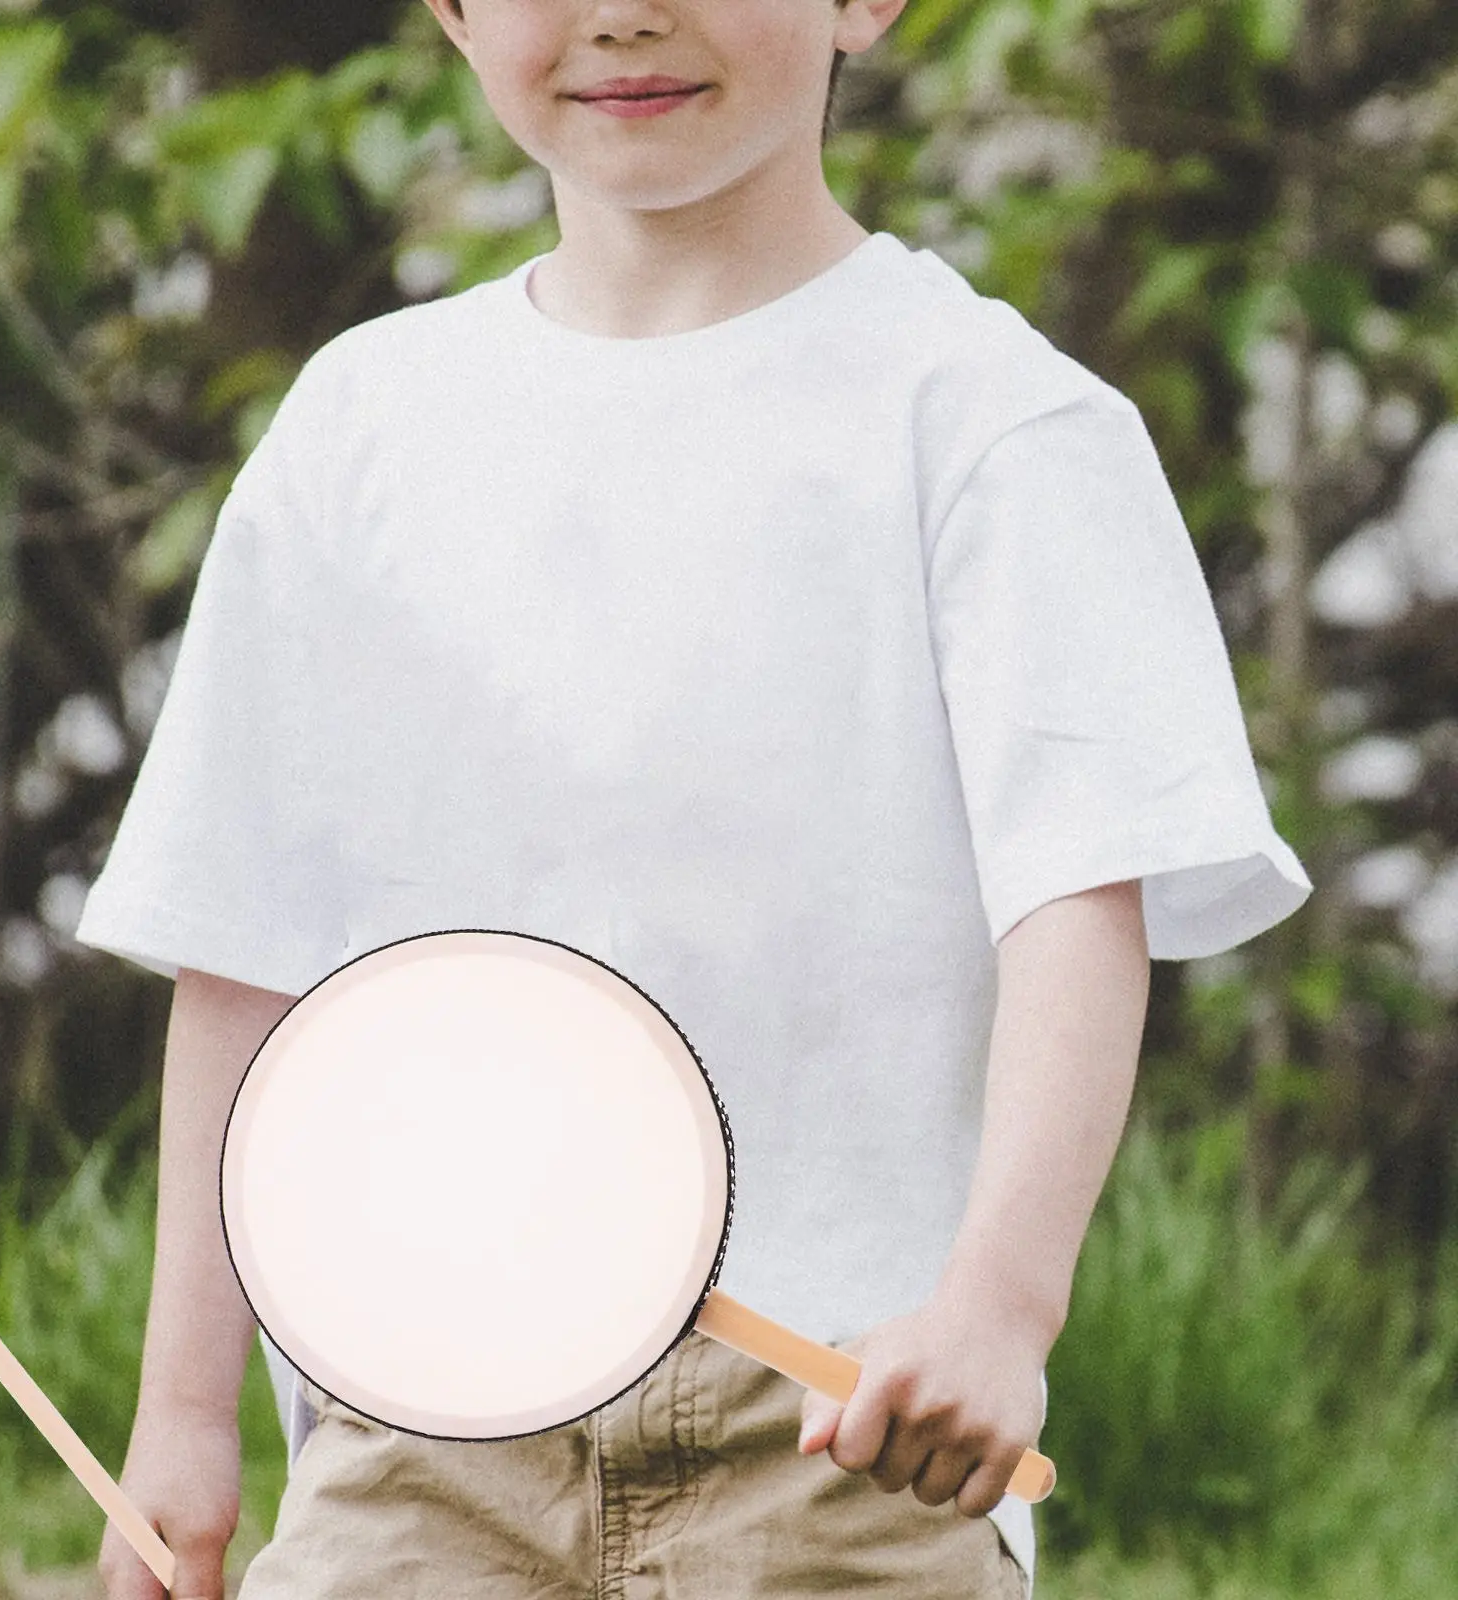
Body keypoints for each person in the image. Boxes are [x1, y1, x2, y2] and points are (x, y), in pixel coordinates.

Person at [81, 0, 1313, 1595]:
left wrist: (999, 1312)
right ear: (451, 14)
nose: (622, 16)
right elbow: (240, 941)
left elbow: (1078, 907)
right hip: (419, 1409)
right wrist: (182, 1413)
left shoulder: (997, 422)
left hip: (840, 1418)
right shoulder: (361, 428)